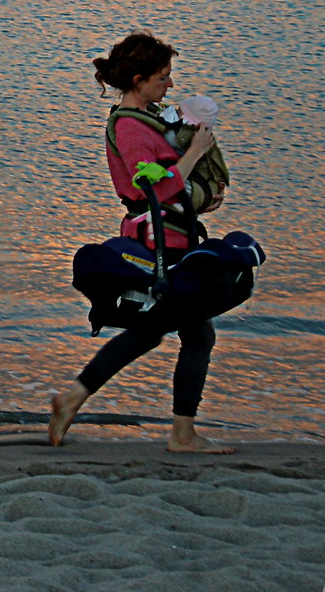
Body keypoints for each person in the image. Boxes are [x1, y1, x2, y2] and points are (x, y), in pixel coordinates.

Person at [48, 31, 236, 454]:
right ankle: (179, 433)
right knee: (182, 333)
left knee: (175, 331)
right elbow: (145, 191)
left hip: (172, 234)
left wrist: (199, 200)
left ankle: (79, 399)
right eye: (163, 77)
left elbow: (166, 189)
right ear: (139, 79)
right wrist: (194, 154)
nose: (170, 85)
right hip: (160, 242)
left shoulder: (147, 119)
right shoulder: (130, 127)